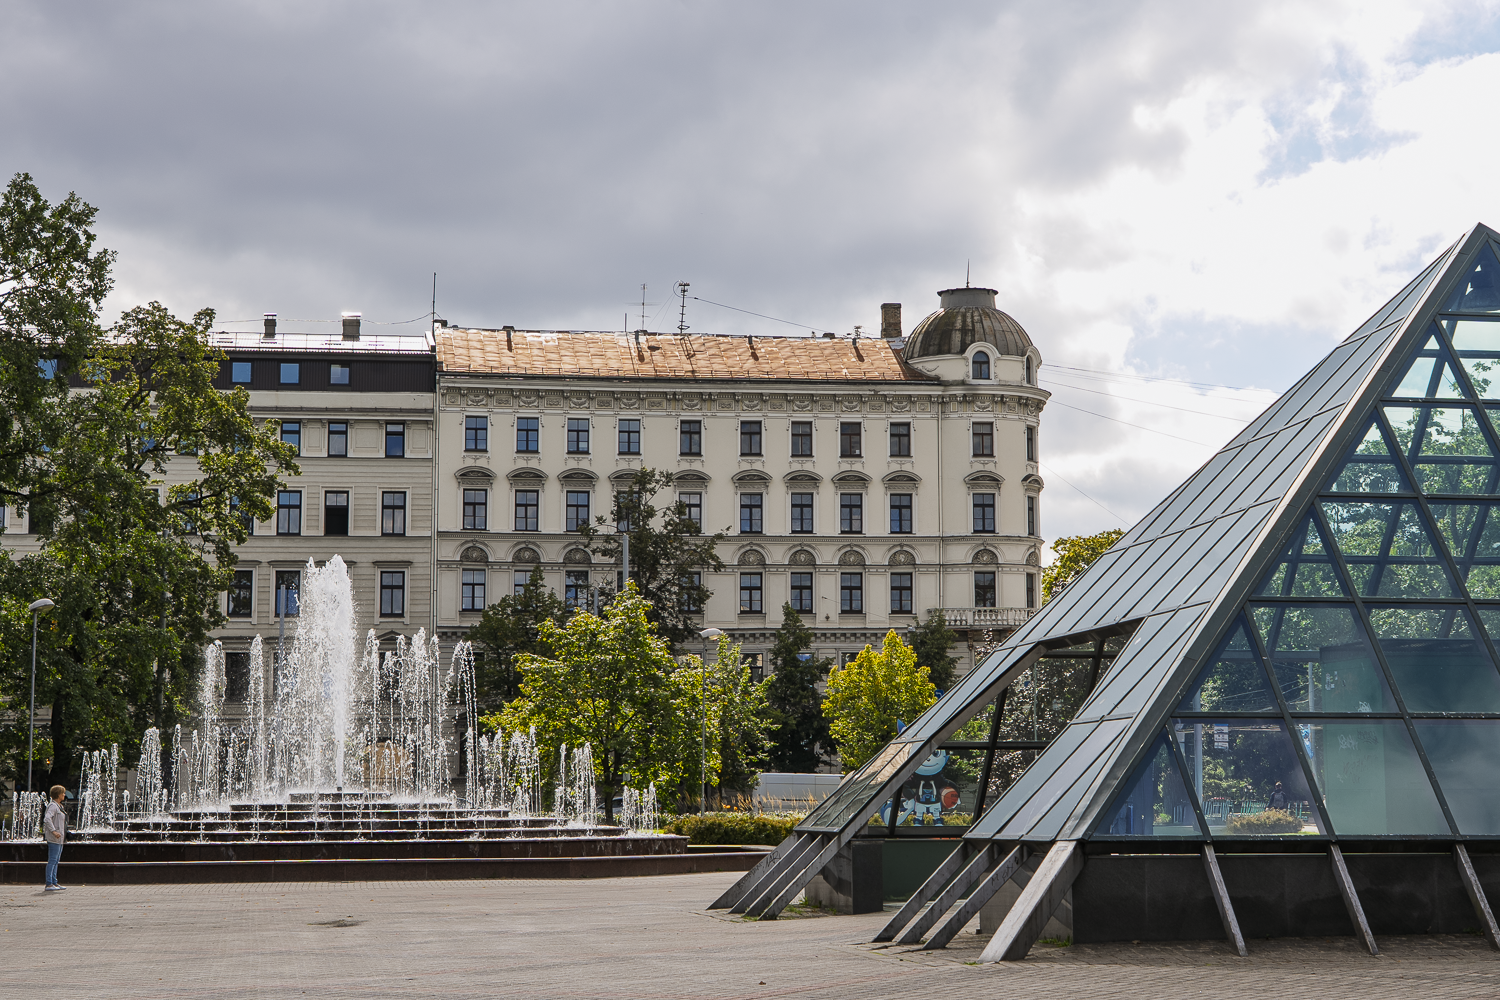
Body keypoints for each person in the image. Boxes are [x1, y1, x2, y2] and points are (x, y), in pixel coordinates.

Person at [43, 785, 66, 891]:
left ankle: (54, 882)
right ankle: (49, 883)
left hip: (59, 838)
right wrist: (54, 831)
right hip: (54, 838)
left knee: (56, 860)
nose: (64, 795)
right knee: (52, 860)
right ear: (58, 794)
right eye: (63, 793)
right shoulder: (53, 806)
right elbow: (47, 819)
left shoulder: (59, 806)